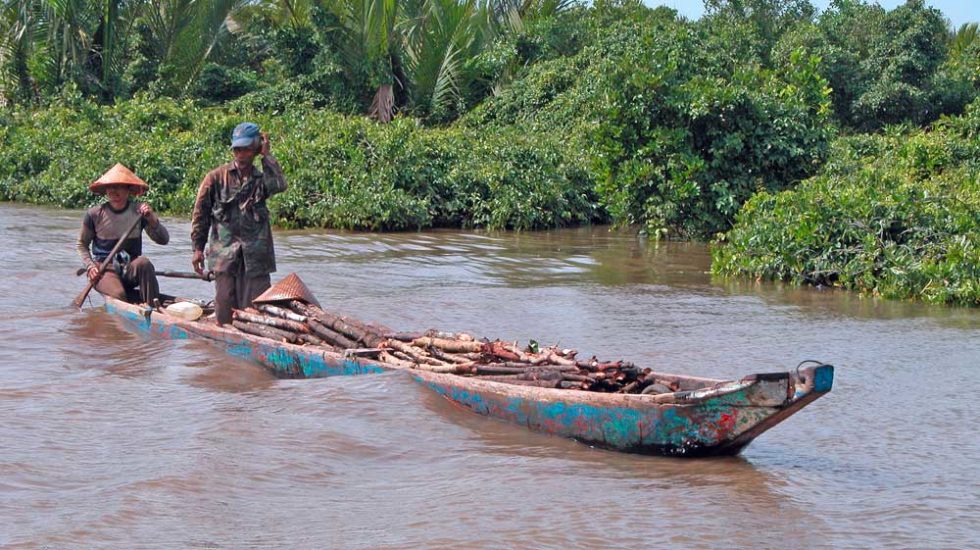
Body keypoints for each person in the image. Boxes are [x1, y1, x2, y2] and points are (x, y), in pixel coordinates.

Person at [191, 122, 287, 325]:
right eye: (237, 149)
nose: (241, 154)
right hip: (224, 253)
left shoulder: (261, 179)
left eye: (246, 149)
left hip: (256, 255)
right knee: (224, 303)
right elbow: (201, 214)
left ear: (255, 149)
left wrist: (267, 156)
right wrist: (197, 249)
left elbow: (279, 185)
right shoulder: (216, 178)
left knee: (256, 308)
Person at [76, 163, 169, 304]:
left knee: (144, 263)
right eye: (110, 187)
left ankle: (152, 305)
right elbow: (82, 245)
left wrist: (151, 219)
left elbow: (163, 239)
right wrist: (90, 266)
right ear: (106, 190)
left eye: (119, 187)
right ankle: (126, 305)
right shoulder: (95, 214)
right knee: (119, 295)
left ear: (128, 189)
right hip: (104, 269)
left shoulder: (139, 212)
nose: (114, 192)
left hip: (130, 266)